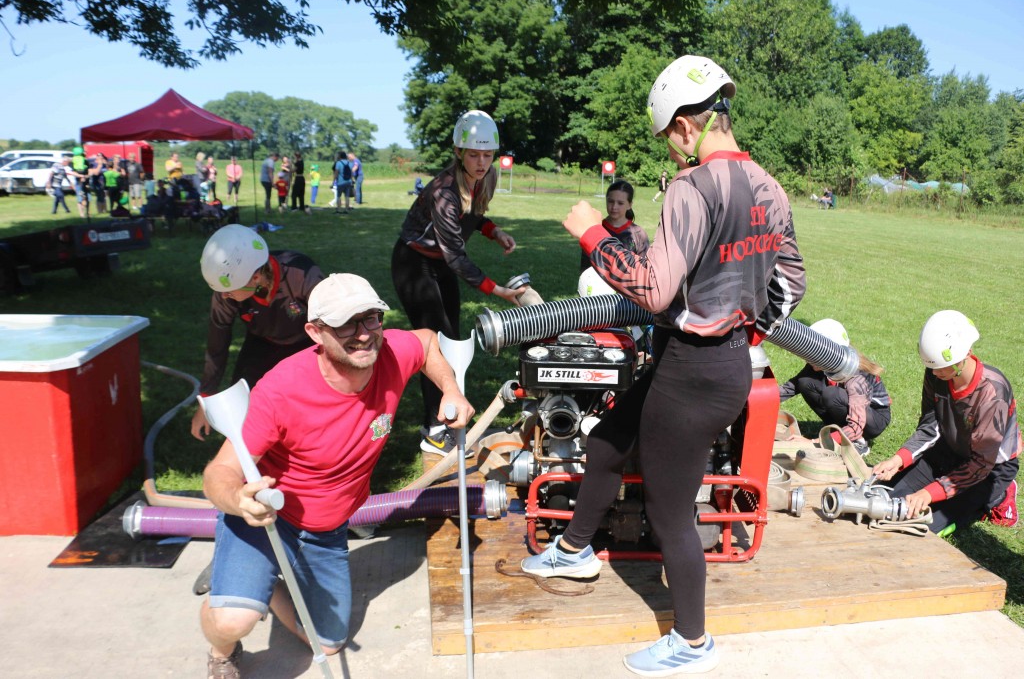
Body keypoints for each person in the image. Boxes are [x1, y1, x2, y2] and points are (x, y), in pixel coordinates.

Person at [520, 55, 805, 676]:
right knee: (609, 439)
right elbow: (790, 284)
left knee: (670, 514)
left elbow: (651, 290)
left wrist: (593, 236)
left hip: (692, 374)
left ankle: (692, 642)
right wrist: (744, 325)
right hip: (719, 364)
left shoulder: (692, 187)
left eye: (667, 141)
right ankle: (575, 548)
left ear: (683, 125)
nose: (671, 154)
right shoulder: (769, 185)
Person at [200, 272, 474, 676]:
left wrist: (450, 388)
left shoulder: (391, 352)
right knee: (232, 621)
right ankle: (223, 649)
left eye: (370, 318)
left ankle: (261, 584)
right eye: (346, 324)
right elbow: (219, 471)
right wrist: (238, 501)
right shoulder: (280, 391)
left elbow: (428, 340)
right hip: (265, 518)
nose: (363, 334)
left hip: (325, 531)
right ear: (315, 332)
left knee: (329, 643)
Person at [391, 109, 523, 455]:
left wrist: (495, 232)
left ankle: (444, 417)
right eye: (474, 155)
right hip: (414, 263)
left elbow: (474, 215)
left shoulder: (486, 177)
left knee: (450, 340)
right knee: (433, 345)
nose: (482, 162)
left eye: (488, 155)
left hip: (440, 263)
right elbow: (456, 257)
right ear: (459, 152)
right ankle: (435, 431)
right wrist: (497, 290)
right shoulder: (444, 191)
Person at [873, 310, 1019, 535]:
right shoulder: (937, 373)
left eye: (942, 366)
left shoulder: (993, 392)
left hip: (989, 468)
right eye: (932, 367)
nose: (935, 373)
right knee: (888, 501)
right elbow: (929, 427)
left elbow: (981, 463)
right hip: (948, 450)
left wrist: (929, 493)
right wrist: (898, 460)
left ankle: (999, 494)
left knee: (923, 526)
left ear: (966, 353)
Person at [191, 224, 325, 440]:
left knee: (307, 409)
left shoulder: (302, 276)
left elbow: (332, 324)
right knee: (242, 408)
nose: (223, 296)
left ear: (255, 278)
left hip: (306, 344)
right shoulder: (227, 291)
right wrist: (206, 398)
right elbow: (217, 342)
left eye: (228, 291)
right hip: (261, 342)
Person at [778, 318, 891, 456]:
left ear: (830, 354)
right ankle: (836, 430)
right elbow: (791, 387)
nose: (808, 359)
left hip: (873, 418)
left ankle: (859, 443)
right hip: (848, 406)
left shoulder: (856, 378)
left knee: (832, 395)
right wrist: (760, 399)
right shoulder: (818, 365)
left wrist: (813, 442)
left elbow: (855, 428)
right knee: (804, 381)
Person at [580, 180, 649, 273]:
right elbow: (586, 269)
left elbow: (643, 270)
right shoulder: (595, 231)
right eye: (611, 201)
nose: (614, 207)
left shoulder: (638, 234)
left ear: (629, 205)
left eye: (620, 203)